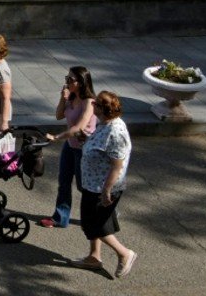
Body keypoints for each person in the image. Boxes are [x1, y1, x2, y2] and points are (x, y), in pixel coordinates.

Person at [70, 91, 138, 279]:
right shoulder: (105, 124)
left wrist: (107, 190)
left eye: (96, 104)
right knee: (93, 222)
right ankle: (94, 257)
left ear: (103, 109)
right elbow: (101, 147)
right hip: (92, 183)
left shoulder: (116, 131)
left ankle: (124, 253)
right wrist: (87, 139)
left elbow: (117, 165)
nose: (92, 106)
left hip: (103, 187)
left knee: (93, 225)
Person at [42, 66, 97, 229]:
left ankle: (105, 211)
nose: (66, 82)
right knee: (64, 182)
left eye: (70, 79)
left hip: (85, 149)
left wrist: (57, 137)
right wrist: (63, 98)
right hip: (70, 146)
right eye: (67, 78)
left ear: (80, 83)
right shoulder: (71, 98)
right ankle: (60, 217)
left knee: (83, 185)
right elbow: (59, 115)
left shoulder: (90, 102)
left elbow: (79, 127)